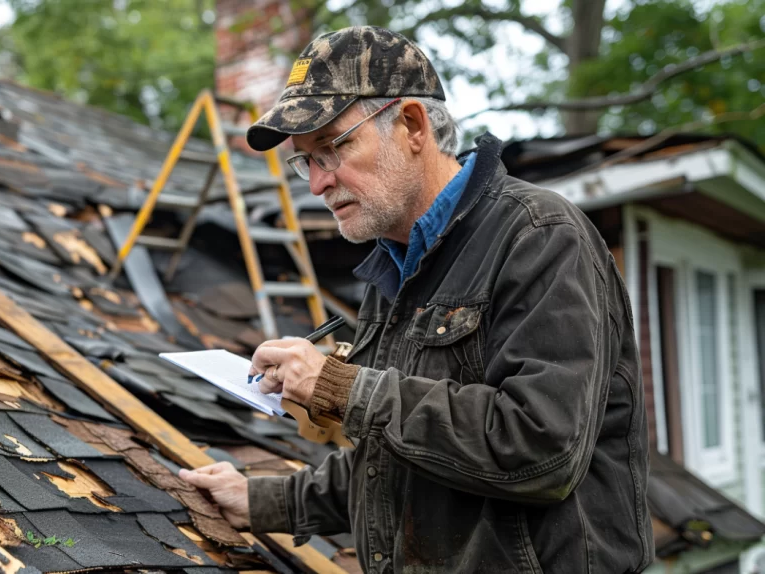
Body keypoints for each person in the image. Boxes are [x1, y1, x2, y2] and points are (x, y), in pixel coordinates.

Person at [179, 26, 653, 573]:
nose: (316, 184)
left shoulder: (539, 235)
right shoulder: (396, 264)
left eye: (333, 148)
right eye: (304, 161)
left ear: (411, 125)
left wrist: (342, 388)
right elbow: (398, 461)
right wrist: (262, 501)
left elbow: (540, 450)